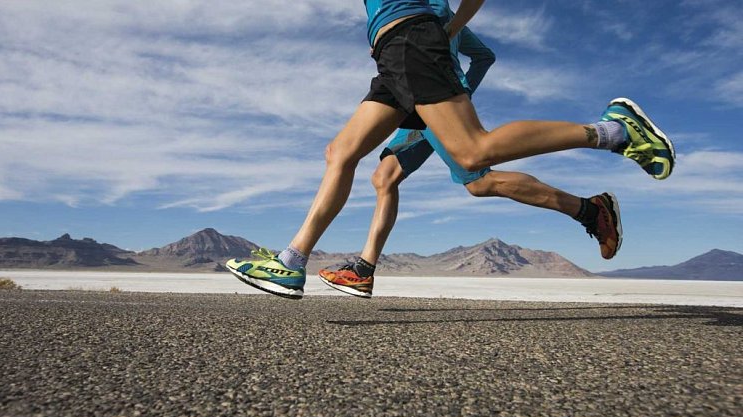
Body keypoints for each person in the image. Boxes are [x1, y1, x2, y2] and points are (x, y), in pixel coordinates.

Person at [226, 0, 675, 299]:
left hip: (413, 46)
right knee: (341, 153)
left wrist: (448, 42)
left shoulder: (432, 11)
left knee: (473, 154)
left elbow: (479, 52)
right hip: (393, 56)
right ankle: (292, 262)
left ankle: (614, 132)